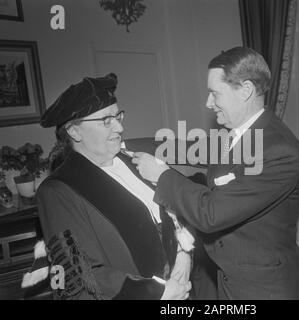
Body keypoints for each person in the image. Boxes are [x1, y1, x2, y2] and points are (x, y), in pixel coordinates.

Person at [128, 47, 299, 299]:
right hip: (230, 281)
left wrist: (161, 175)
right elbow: (185, 148)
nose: (208, 103)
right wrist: (124, 144)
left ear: (245, 91)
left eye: (215, 94)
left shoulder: (279, 150)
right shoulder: (236, 135)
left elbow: (211, 213)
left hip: (265, 289)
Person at [24, 73, 193, 300]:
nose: (119, 128)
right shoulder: (58, 191)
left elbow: (177, 212)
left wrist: (184, 257)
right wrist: (161, 293)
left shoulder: (136, 161)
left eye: (118, 116)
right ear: (74, 131)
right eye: (106, 121)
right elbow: (77, 272)